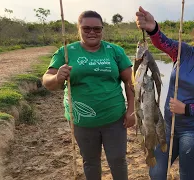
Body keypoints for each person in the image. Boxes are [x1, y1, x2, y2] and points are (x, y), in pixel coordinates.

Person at [135, 6, 194, 180]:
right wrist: (152, 27)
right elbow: (161, 41)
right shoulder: (182, 51)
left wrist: (186, 109)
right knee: (156, 172)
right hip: (167, 127)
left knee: (186, 176)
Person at [42, 10, 135, 180]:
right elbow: (47, 81)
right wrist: (57, 77)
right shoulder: (66, 52)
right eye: (86, 28)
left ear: (102, 29)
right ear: (79, 29)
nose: (92, 32)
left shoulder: (115, 51)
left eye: (97, 29)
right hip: (81, 121)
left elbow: (130, 82)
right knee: (90, 161)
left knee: (118, 159)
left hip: (114, 118)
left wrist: (131, 110)